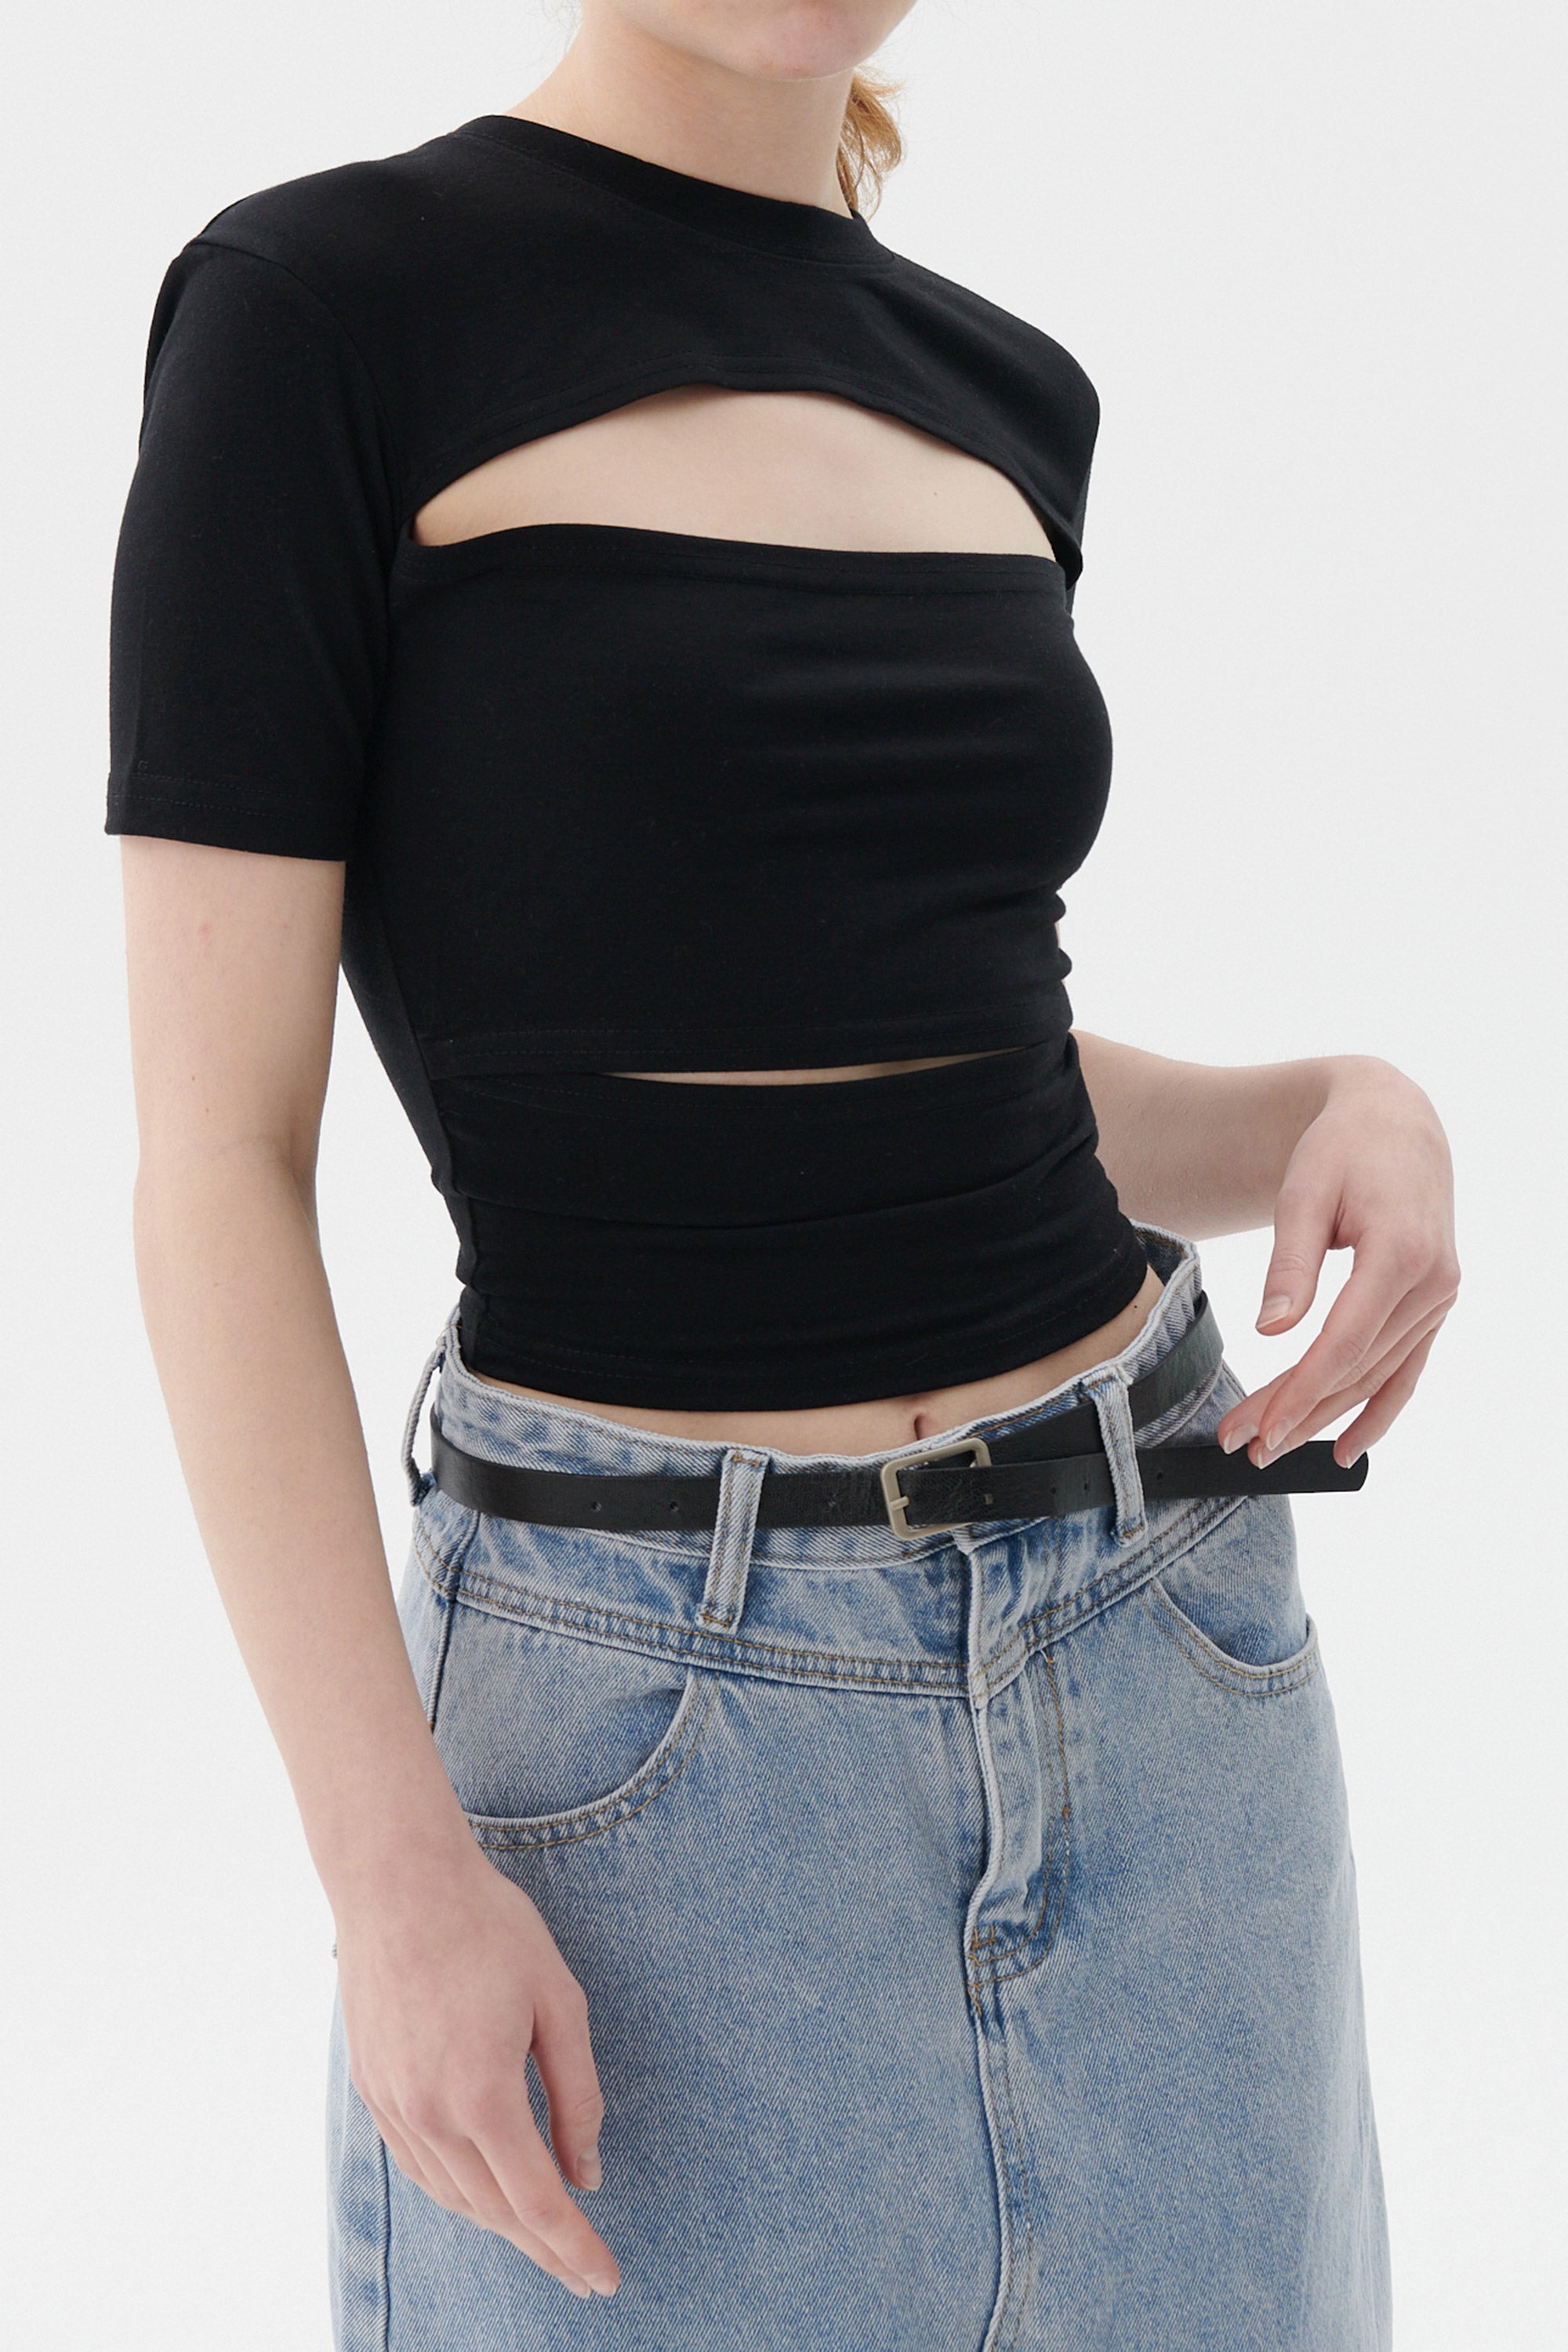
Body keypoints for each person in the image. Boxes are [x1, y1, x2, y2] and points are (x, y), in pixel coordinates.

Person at [109, 4, 1457, 2344]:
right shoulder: (319, 312)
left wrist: (1336, 1102)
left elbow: (936, 1049)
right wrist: (387, 1870)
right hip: (643, 1750)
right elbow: (216, 1159)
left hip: (1163, 1647)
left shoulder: (1002, 390)